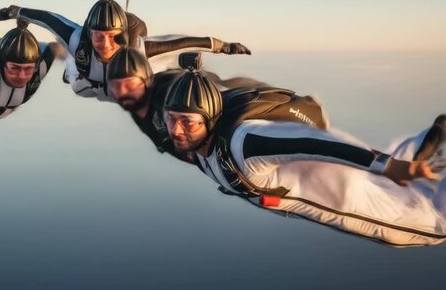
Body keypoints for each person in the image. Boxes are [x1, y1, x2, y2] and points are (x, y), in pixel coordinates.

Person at [160, 60, 446, 246]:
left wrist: (386, 165)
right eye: (172, 119)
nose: (176, 130)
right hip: (328, 176)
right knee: (393, 178)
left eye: (187, 121)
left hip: (339, 194)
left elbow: (313, 143)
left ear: (210, 119)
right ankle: (431, 141)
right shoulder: (198, 145)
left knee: (436, 226)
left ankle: (414, 161)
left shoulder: (243, 144)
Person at [0, 0, 251, 101]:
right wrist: (12, 12)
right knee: (77, 80)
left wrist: (224, 46)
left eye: (113, 36)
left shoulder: (134, 48)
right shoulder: (77, 39)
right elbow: (46, 18)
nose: (105, 43)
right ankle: (69, 70)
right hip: (86, 82)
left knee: (154, 74)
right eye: (98, 35)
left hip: (118, 83)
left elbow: (179, 41)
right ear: (89, 33)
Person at [106, 48, 327, 163]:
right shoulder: (137, 107)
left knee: (240, 110)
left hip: (232, 93)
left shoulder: (166, 92)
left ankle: (308, 109)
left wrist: (306, 112)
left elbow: (183, 88)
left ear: (146, 80)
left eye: (129, 85)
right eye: (116, 86)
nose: (122, 93)